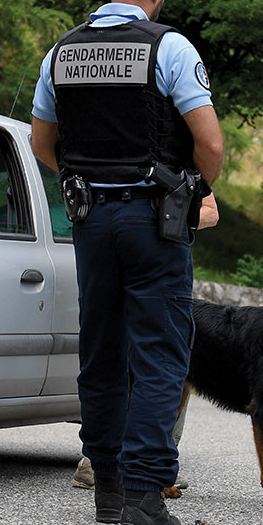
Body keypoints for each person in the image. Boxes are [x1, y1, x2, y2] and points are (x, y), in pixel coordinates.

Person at [32, 0, 224, 525]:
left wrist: (83, 177)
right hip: (154, 222)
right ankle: (146, 499)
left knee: (102, 348)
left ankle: (109, 487)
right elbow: (211, 145)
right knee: (161, 353)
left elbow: (43, 143)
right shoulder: (169, 47)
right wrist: (190, 190)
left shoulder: (60, 53)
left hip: (91, 221)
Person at [70, 191, 219, 491]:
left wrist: (171, 219)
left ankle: (156, 459)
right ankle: (101, 464)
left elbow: (211, 211)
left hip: (159, 254)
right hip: (115, 250)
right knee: (116, 357)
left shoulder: (175, 156)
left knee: (167, 360)